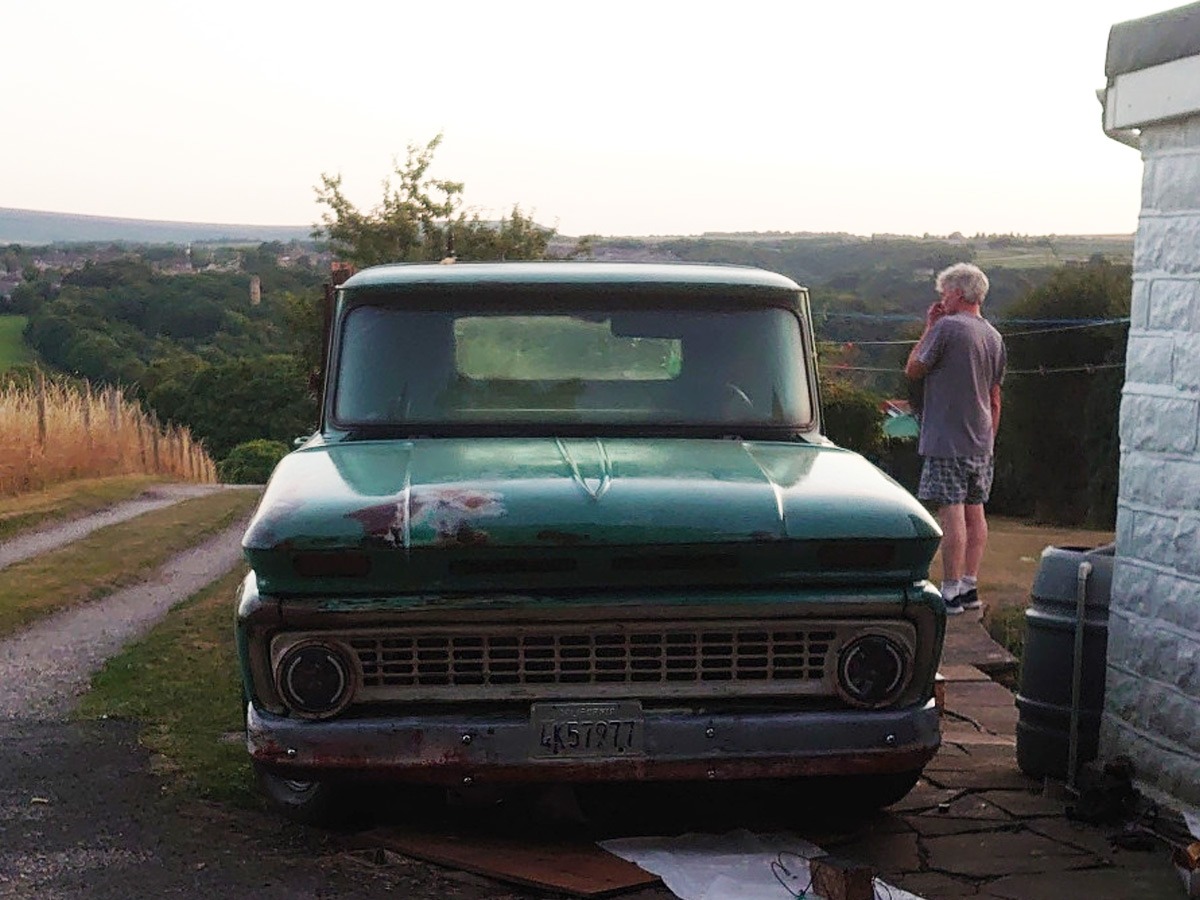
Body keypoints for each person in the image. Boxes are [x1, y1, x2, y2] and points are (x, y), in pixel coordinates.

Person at [904, 263, 1006, 615]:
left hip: (948, 436)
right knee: (976, 512)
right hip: (981, 439)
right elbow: (995, 395)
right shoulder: (993, 336)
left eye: (944, 292)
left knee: (952, 513)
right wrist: (989, 437)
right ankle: (969, 586)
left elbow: (914, 368)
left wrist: (928, 327)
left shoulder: (946, 328)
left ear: (959, 294)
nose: (941, 298)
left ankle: (949, 592)